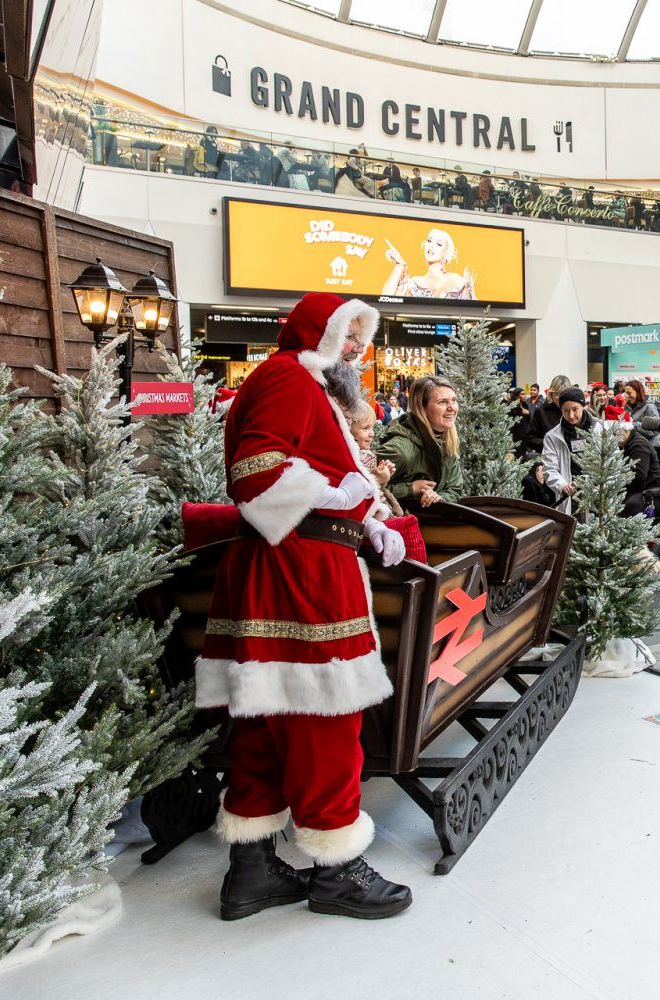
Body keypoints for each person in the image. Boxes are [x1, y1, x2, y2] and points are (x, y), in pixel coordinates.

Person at [197, 291, 411, 920]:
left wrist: (364, 517)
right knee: (324, 718)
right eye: (348, 334)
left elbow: (306, 471)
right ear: (318, 331)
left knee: (267, 719)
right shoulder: (290, 376)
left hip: (287, 565)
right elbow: (255, 475)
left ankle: (253, 869)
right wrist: (339, 496)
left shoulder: (303, 383)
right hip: (302, 574)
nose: (356, 349)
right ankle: (337, 870)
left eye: (361, 338)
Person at [374, 375, 464, 509]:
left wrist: (438, 497)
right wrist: (410, 489)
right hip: (398, 526)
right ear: (422, 407)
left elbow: (455, 489)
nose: (452, 408)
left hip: (433, 522)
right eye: (442, 402)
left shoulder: (446, 440)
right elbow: (366, 488)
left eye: (454, 400)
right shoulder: (400, 450)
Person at [541, 387, 595, 514]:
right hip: (570, 494)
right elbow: (549, 468)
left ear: (583, 406)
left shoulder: (600, 430)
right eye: (566, 411)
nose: (571, 415)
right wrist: (562, 485)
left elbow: (612, 460)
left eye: (575, 409)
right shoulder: (552, 436)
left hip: (596, 492)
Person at [381, 228, 476, 300]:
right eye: (429, 241)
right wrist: (399, 265)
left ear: (447, 253)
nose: (431, 246)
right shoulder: (414, 283)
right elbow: (385, 299)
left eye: (438, 244)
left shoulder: (458, 281)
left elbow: (477, 314)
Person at [349, 402, 403, 517]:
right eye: (365, 428)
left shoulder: (366, 455)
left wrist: (383, 477)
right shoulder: (351, 458)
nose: (372, 433)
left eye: (372, 427)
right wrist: (377, 479)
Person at [619, 424, 660, 517]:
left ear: (626, 431)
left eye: (615, 433)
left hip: (651, 493)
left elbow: (639, 476)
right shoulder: (625, 444)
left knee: (630, 505)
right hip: (639, 490)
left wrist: (618, 483)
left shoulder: (638, 445)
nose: (612, 437)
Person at [524, 375, 570, 454]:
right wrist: (548, 445)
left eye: (563, 394)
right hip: (549, 458)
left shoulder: (573, 410)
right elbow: (530, 438)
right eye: (557, 394)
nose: (560, 398)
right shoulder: (541, 411)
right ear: (551, 393)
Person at [623, 378, 660, 445]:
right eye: (625, 393)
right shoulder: (626, 407)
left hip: (648, 447)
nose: (627, 396)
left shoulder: (650, 407)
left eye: (629, 393)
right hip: (632, 446)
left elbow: (654, 431)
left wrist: (633, 425)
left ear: (638, 392)